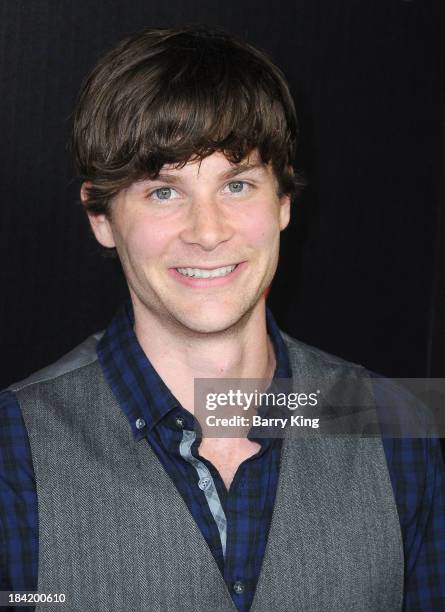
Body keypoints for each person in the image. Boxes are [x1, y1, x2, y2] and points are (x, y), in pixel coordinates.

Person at [0, 25, 444, 612]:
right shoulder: (13, 450)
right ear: (101, 216)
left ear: (283, 203)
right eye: (164, 191)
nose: (208, 232)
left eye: (236, 185)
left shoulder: (396, 426)